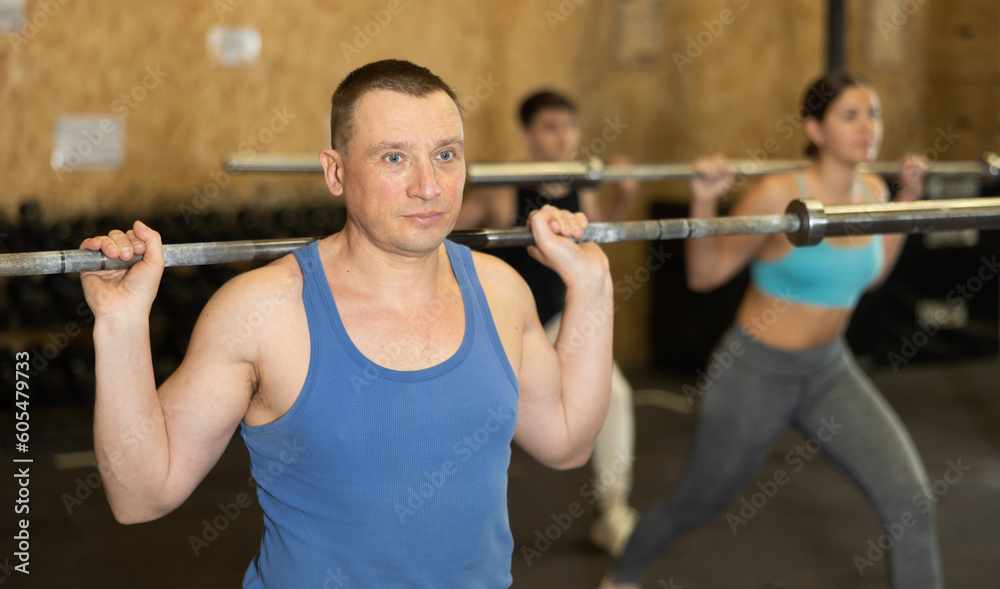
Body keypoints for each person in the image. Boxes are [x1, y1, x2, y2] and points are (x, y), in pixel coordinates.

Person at [80, 59, 616, 588]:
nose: (428, 186)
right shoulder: (261, 311)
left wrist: (593, 286)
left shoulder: (501, 293)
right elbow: (141, 496)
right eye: (394, 158)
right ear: (335, 172)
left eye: (445, 155)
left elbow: (567, 441)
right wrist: (121, 324)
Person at [602, 71, 943, 588]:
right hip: (754, 372)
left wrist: (908, 200)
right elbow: (704, 275)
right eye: (850, 115)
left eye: (873, 114)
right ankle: (623, 577)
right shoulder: (778, 194)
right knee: (697, 502)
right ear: (814, 129)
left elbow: (871, 276)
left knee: (911, 500)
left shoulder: (874, 190)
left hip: (829, 372)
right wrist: (702, 200)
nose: (867, 127)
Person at [456, 90, 641, 556]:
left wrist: (623, 194)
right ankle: (458, 523)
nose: (563, 137)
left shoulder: (582, 184)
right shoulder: (501, 187)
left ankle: (613, 509)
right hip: (506, 326)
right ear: (527, 135)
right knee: (477, 414)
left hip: (556, 321)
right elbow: (447, 232)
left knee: (616, 393)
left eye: (569, 126)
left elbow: (596, 233)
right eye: (550, 127)